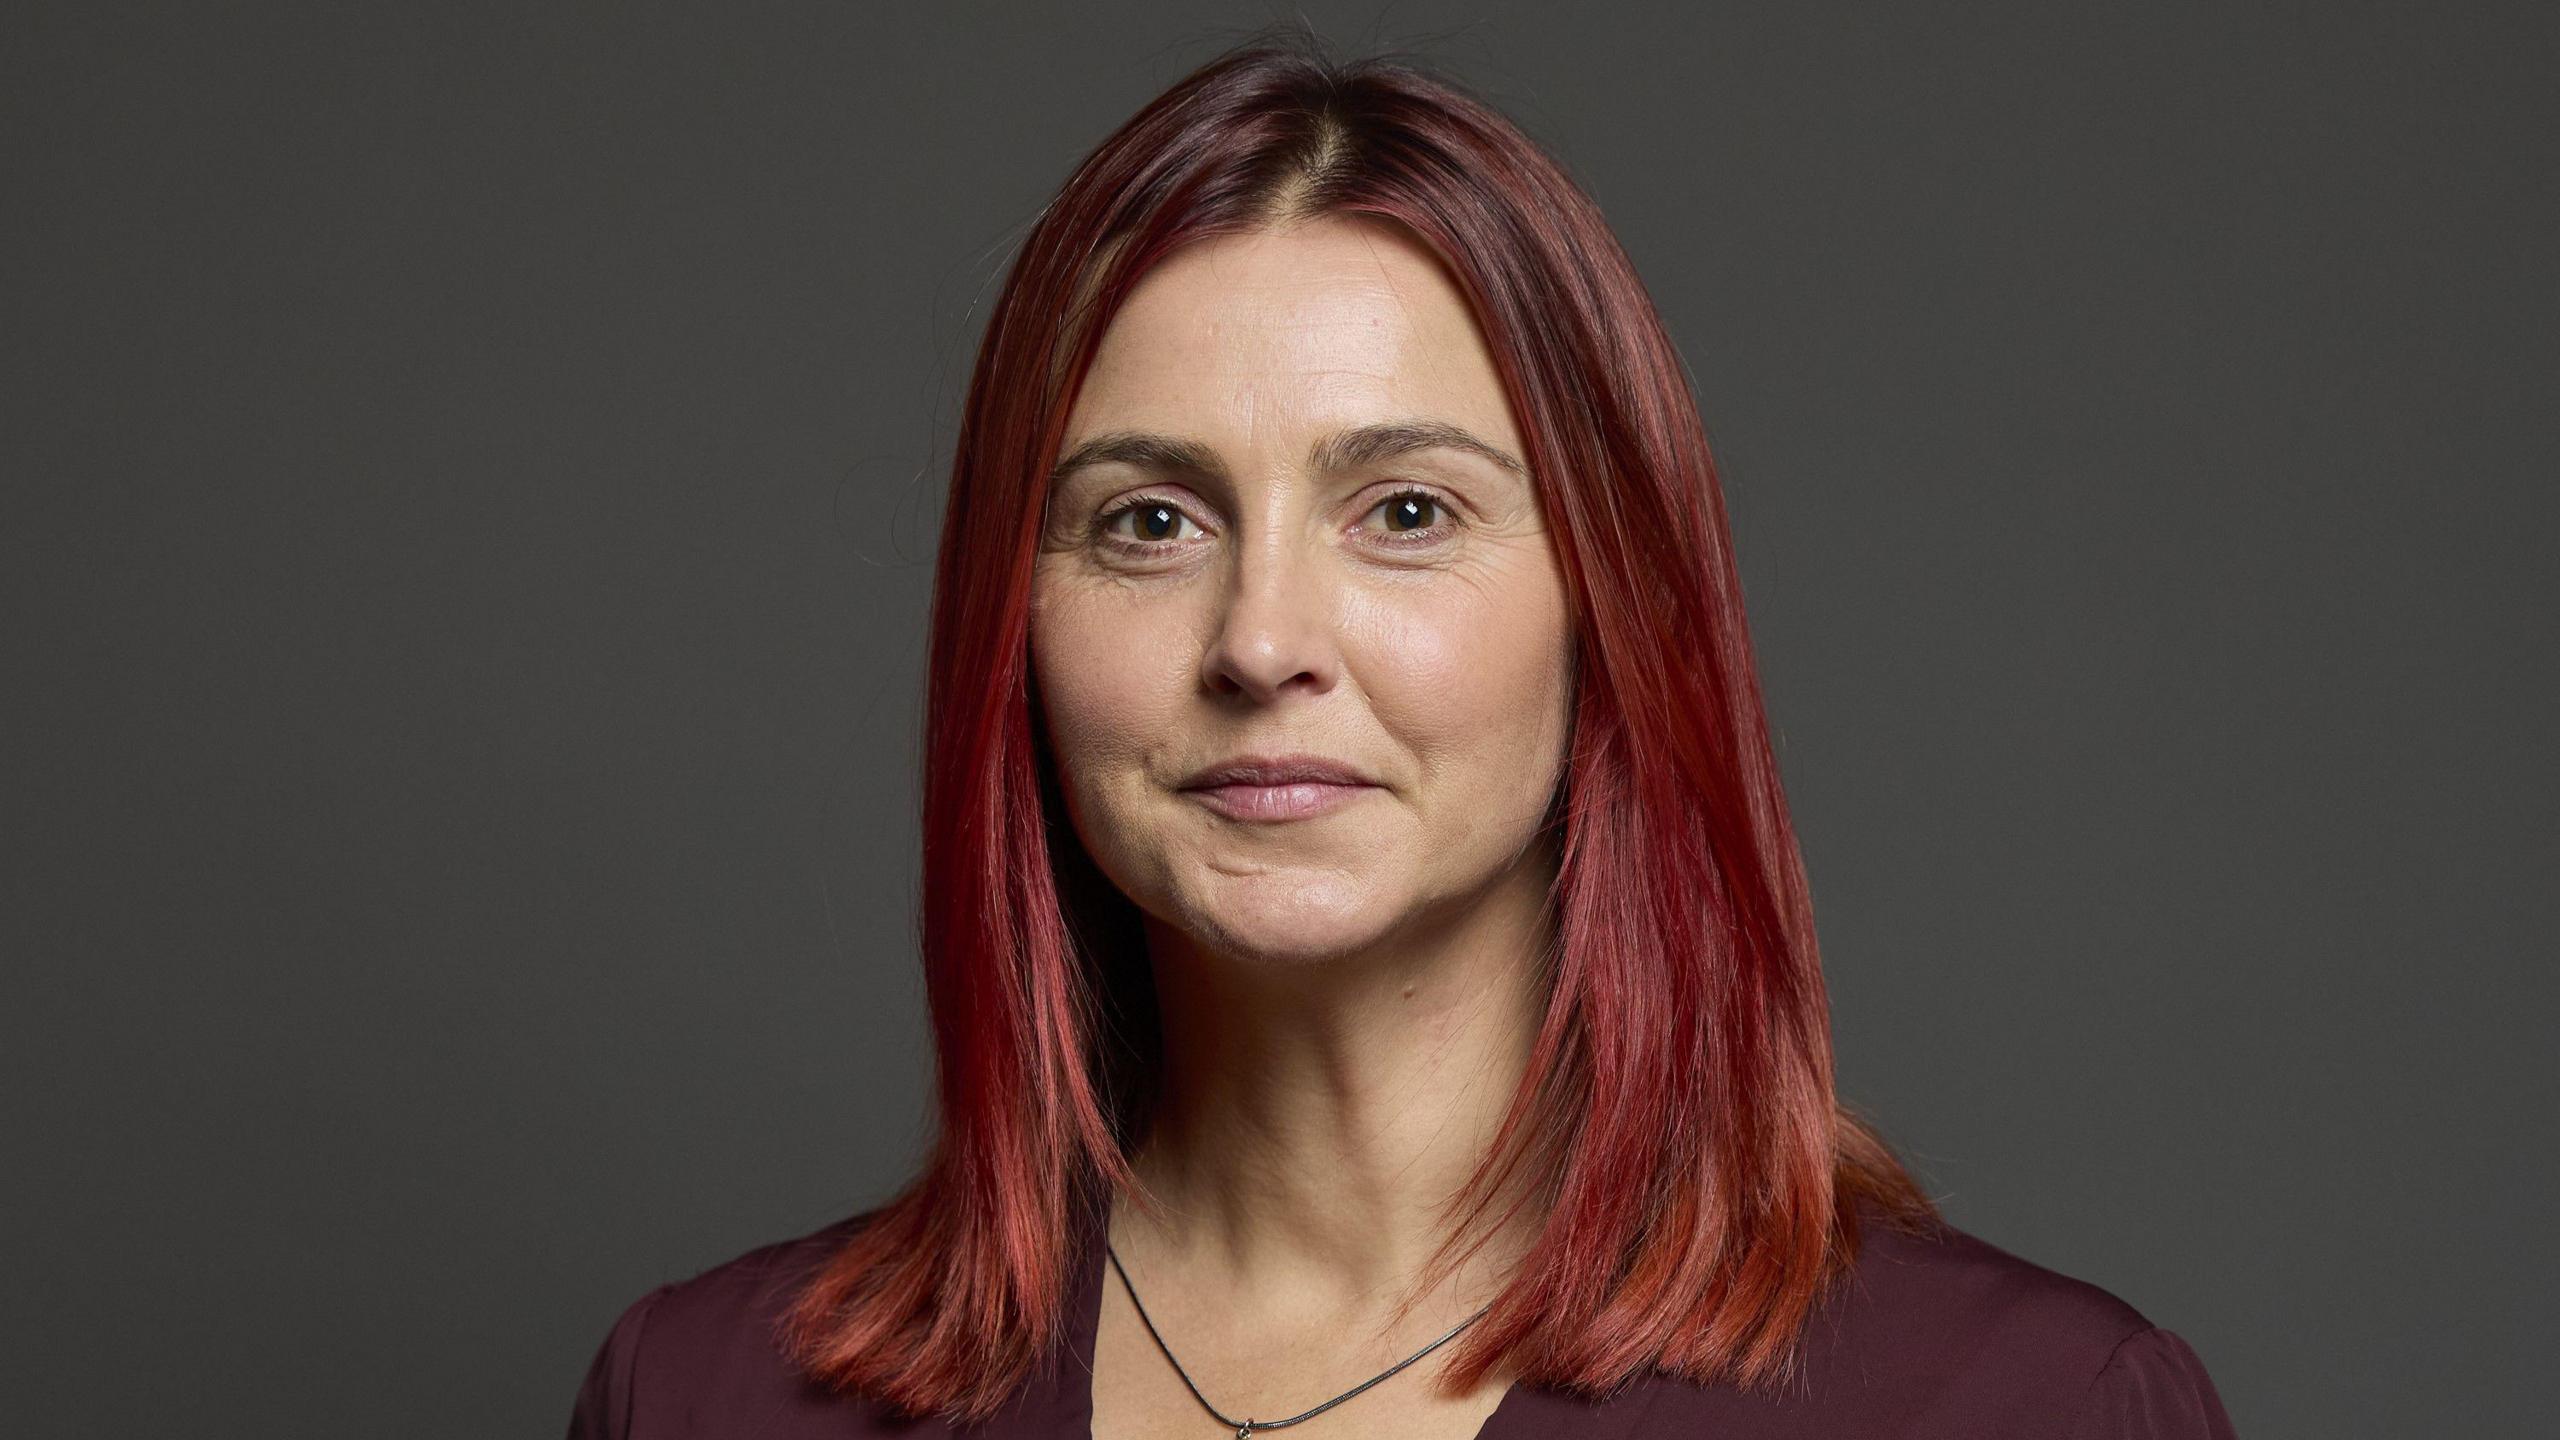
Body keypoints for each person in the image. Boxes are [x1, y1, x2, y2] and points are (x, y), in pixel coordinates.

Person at [566, 31, 2236, 1440]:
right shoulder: (707, 1395)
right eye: (1150, 522)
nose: (1263, 640)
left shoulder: (2018, 1405)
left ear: (1615, 608)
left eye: (1409, 509)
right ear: (1015, 622)